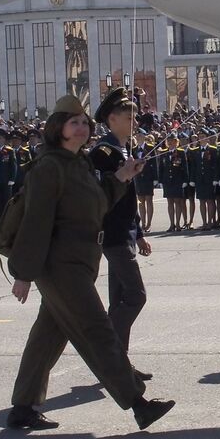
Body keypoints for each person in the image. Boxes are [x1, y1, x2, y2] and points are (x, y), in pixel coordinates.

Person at [6, 94, 174, 431]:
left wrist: (122, 177)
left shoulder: (79, 163)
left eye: (84, 122)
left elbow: (97, 205)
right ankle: (138, 403)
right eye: (73, 122)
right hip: (60, 266)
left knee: (47, 336)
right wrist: (23, 274)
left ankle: (23, 407)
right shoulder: (48, 166)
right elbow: (36, 223)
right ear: (58, 129)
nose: (81, 128)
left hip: (80, 262)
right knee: (99, 331)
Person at [91, 87, 155, 379]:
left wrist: (139, 232)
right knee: (136, 296)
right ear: (112, 118)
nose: (134, 122)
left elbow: (130, 197)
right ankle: (103, 348)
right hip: (113, 233)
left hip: (126, 232)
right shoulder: (103, 152)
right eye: (128, 117)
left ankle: (119, 364)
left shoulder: (124, 149)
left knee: (120, 299)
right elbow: (103, 196)